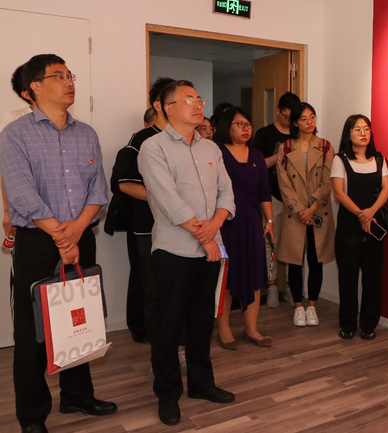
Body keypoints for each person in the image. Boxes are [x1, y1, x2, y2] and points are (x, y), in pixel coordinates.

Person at [0, 53, 116, 433]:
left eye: (70, 75)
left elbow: (98, 189)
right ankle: (32, 417)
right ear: (34, 87)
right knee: (32, 332)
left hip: (81, 237)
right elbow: (21, 195)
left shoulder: (87, 134)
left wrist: (77, 230)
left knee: (80, 319)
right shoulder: (15, 135)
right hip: (38, 242)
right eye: (58, 76)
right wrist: (61, 237)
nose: (69, 82)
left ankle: (77, 395)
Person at [138, 80, 236, 426]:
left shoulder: (211, 149)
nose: (198, 105)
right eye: (189, 99)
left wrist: (215, 226)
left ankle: (201, 384)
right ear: (168, 108)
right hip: (174, 250)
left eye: (199, 99)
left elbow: (227, 192)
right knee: (168, 325)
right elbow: (168, 201)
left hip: (209, 249)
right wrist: (205, 236)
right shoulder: (153, 148)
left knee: (201, 321)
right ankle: (167, 393)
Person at [109, 77, 173, 345]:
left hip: (177, 224)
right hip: (146, 224)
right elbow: (124, 184)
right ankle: (145, 329)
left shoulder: (184, 139)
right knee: (147, 279)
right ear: (159, 105)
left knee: (169, 280)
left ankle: (168, 329)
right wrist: (168, 200)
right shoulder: (142, 139)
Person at [215, 107, 274, 349]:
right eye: (240, 124)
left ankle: (251, 328)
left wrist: (269, 221)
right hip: (226, 223)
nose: (246, 128)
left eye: (248, 124)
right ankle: (224, 329)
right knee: (227, 278)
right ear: (227, 126)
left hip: (251, 223)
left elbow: (264, 192)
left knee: (254, 275)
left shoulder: (257, 155)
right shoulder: (216, 152)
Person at [332, 115, 388, 341]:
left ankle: (368, 325)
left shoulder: (379, 159)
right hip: (349, 227)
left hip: (374, 224)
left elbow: (387, 189)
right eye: (357, 129)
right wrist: (361, 214)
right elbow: (339, 193)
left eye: (366, 129)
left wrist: (370, 213)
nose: (363, 133)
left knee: (372, 279)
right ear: (349, 134)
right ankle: (347, 324)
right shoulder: (340, 159)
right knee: (347, 278)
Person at [276, 102, 335, 327]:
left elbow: (328, 181)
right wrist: (300, 209)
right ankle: (298, 307)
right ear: (295, 122)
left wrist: (311, 208)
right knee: (295, 260)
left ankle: (312, 306)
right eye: (304, 118)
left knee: (316, 259)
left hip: (318, 211)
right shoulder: (286, 147)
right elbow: (283, 182)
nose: (310, 122)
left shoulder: (326, 147)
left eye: (312, 117)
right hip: (295, 213)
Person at [252, 92, 300, 308]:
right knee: (271, 243)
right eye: (287, 116)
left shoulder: (300, 133)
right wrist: (282, 152)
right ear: (278, 111)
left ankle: (289, 286)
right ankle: (271, 285)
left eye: (293, 117)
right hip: (272, 195)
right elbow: (257, 165)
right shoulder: (264, 134)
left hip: (296, 198)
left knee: (292, 243)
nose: (290, 121)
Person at [2, 63, 35, 245]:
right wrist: (7, 212)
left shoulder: (73, 122)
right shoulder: (14, 120)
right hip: (25, 216)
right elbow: (7, 170)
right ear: (27, 93)